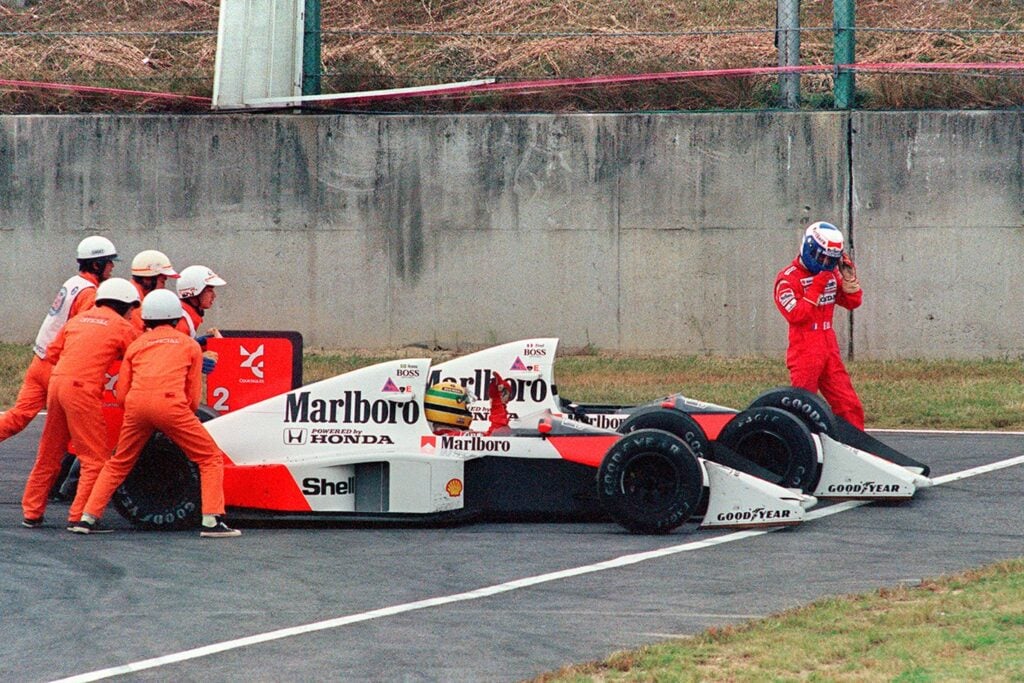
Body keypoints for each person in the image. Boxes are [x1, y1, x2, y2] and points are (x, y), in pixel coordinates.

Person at [73, 289, 241, 538]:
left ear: (147, 318)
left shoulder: (137, 345)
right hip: (172, 405)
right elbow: (193, 396)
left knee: (118, 463)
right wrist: (177, 421)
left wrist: (139, 414)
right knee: (209, 458)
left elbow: (121, 394)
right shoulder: (189, 345)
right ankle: (211, 521)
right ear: (176, 317)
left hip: (136, 406)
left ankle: (87, 518)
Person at [20, 278, 140, 529]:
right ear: (123, 305)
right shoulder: (121, 326)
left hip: (56, 383)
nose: (132, 314)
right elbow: (138, 353)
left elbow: (52, 354)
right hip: (82, 390)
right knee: (95, 458)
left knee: (49, 453)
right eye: (131, 308)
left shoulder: (76, 321)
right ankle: (80, 516)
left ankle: (32, 512)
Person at [0, 236, 118, 448]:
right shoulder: (90, 294)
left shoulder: (73, 283)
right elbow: (86, 333)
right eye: (109, 262)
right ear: (96, 264)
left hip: (40, 361)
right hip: (58, 368)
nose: (112, 267)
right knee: (77, 434)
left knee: (17, 417)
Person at [774, 220, 865, 429]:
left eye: (831, 260)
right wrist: (818, 283)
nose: (825, 263)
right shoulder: (788, 279)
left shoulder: (832, 272)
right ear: (809, 248)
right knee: (803, 406)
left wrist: (850, 280)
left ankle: (858, 448)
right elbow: (797, 316)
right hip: (805, 347)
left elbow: (853, 302)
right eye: (821, 257)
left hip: (828, 345)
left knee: (848, 403)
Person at [176, 265, 226, 374]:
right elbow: (166, 358)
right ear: (194, 292)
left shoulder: (186, 316)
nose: (214, 295)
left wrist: (198, 347)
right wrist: (196, 360)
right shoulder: (181, 320)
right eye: (209, 290)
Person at [424, 374, 512, 436]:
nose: (468, 411)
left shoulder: (444, 435)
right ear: (451, 409)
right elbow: (499, 435)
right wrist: (497, 402)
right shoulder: (455, 437)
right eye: (465, 406)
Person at [128, 249, 179, 331]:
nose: (163, 288)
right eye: (162, 281)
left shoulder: (130, 295)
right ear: (147, 279)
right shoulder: (135, 307)